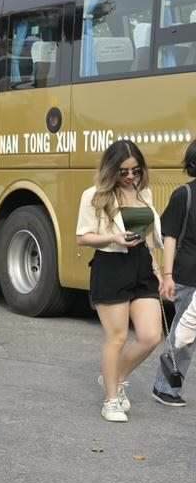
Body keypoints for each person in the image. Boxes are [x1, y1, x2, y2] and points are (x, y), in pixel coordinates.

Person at [75, 139, 164, 423]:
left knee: (151, 336)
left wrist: (157, 267)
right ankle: (110, 400)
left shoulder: (143, 192)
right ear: (111, 169)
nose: (130, 176)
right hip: (111, 265)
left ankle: (114, 376)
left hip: (141, 264)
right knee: (118, 337)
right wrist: (113, 237)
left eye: (136, 171)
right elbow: (82, 237)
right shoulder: (94, 195)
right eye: (124, 171)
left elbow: (146, 235)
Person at [152, 139, 196, 406]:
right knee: (184, 335)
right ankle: (164, 388)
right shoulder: (184, 195)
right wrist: (167, 276)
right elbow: (169, 236)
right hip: (188, 276)